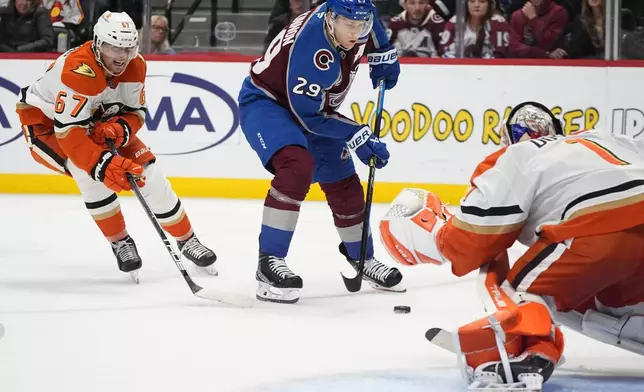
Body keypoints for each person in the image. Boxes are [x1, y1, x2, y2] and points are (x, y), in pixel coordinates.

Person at [379, 102, 644, 389]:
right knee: (608, 303)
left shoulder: (517, 155)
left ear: (512, 136)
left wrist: (434, 236)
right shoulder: (599, 137)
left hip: (596, 227)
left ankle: (533, 351)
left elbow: (477, 238)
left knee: (518, 289)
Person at [15, 11, 217, 281]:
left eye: (127, 47)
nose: (121, 56)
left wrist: (119, 129)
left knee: (149, 174)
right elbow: (70, 134)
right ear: (98, 43)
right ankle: (120, 241)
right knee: (88, 173)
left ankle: (188, 239)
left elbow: (137, 112)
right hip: (47, 126)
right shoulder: (79, 69)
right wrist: (103, 163)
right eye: (113, 46)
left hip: (96, 119)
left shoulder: (136, 64)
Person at [238, 0, 404, 304]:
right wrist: (357, 133)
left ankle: (362, 258)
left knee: (343, 178)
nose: (356, 33)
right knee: (296, 166)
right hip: (268, 103)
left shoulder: (350, 16)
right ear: (330, 19)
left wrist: (382, 50)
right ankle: (269, 263)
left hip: (314, 108)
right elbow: (310, 118)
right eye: (349, 26)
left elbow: (369, 17)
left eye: (361, 26)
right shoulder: (312, 51)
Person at [441, 0, 511, 58]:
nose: (476, 5)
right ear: (466, 4)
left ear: (489, 5)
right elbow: (443, 51)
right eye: (472, 1)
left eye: (482, 1)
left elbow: (500, 56)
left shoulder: (498, 22)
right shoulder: (455, 22)